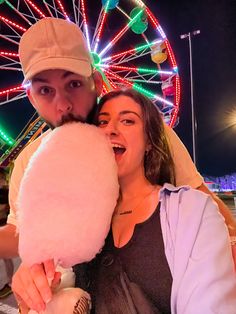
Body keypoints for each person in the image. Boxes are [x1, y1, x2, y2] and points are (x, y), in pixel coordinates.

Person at [0, 17, 235, 262]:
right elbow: (22, 232)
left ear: (98, 83)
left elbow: (206, 201)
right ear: (31, 97)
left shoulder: (145, 132)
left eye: (74, 83)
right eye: (45, 90)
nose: (63, 105)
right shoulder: (29, 163)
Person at [12, 89, 236, 313]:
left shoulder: (191, 211)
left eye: (128, 121)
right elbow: (43, 300)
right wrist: (33, 291)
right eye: (102, 122)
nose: (110, 129)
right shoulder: (72, 223)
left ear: (149, 140)